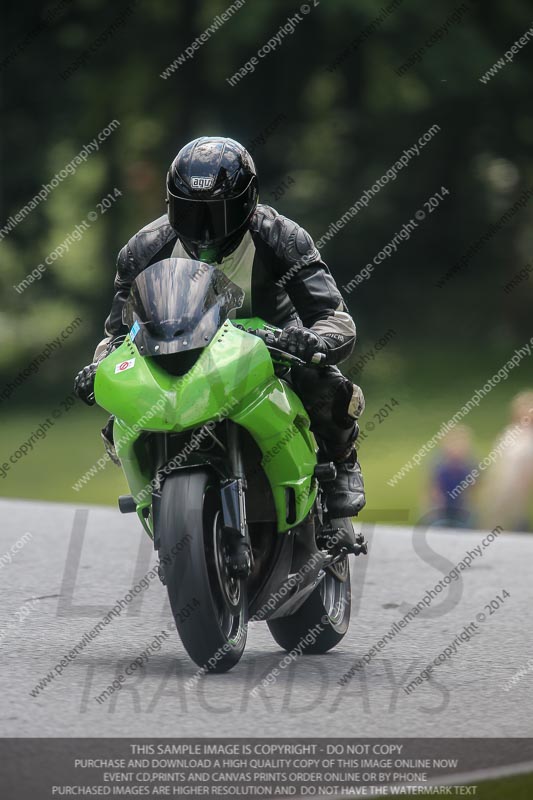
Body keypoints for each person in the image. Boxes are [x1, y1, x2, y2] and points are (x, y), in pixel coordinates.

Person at [74, 136, 366, 535]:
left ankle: (342, 465)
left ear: (248, 203)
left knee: (325, 386)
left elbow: (333, 315)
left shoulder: (281, 237)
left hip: (274, 345)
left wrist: (311, 340)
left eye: (218, 213)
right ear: (171, 205)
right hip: (183, 349)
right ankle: (157, 490)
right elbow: (117, 332)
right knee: (119, 413)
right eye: (192, 214)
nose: (205, 228)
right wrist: (97, 367)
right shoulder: (144, 249)